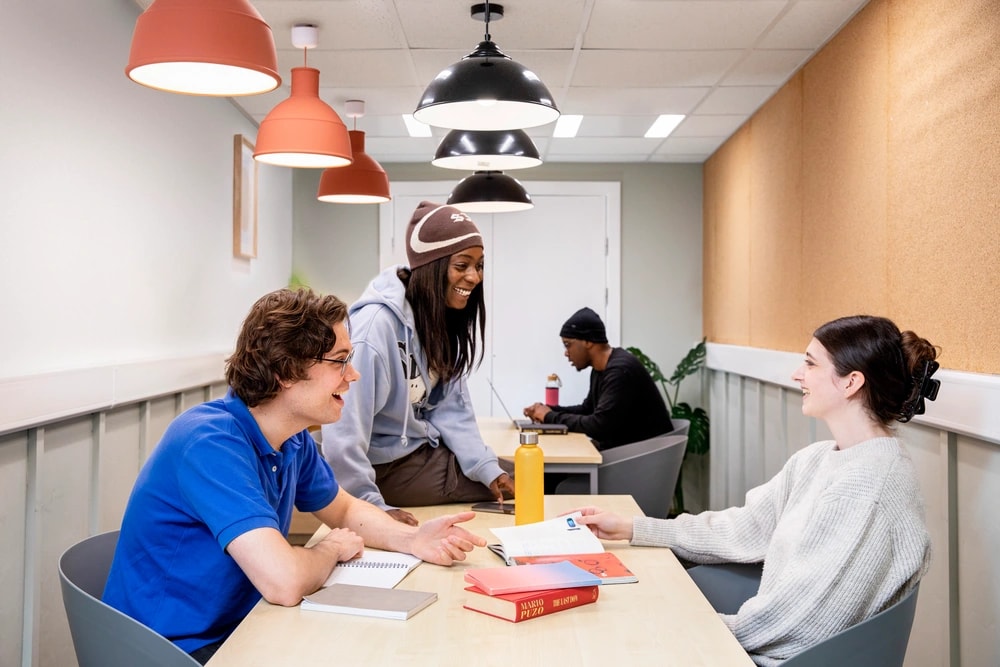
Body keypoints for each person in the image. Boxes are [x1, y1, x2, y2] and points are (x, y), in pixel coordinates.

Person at [103, 288, 486, 664]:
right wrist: (328, 550)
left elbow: (343, 510)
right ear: (287, 371)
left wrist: (412, 539)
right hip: (173, 650)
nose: (353, 375)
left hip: (237, 630)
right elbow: (284, 582)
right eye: (339, 361)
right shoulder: (208, 442)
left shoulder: (291, 438)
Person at [571, 315, 939, 666]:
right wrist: (635, 528)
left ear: (850, 382)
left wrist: (686, 626)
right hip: (744, 645)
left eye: (810, 364)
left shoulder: (870, 488)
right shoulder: (817, 460)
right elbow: (741, 528)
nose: (797, 374)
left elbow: (803, 622)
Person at [322, 201, 514, 527]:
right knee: (527, 480)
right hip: (382, 466)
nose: (474, 277)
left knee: (512, 474)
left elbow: (450, 409)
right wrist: (372, 508)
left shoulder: (440, 319)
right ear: (433, 266)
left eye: (479, 266)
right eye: (462, 265)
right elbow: (343, 430)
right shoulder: (375, 328)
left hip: (417, 452)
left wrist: (484, 466)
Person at [523, 306, 673, 450]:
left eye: (568, 345)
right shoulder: (601, 369)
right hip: (623, 452)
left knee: (545, 470)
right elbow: (588, 410)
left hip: (638, 461)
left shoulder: (620, 371)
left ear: (588, 341)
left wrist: (549, 416)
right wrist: (547, 410)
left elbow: (599, 426)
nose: (566, 353)